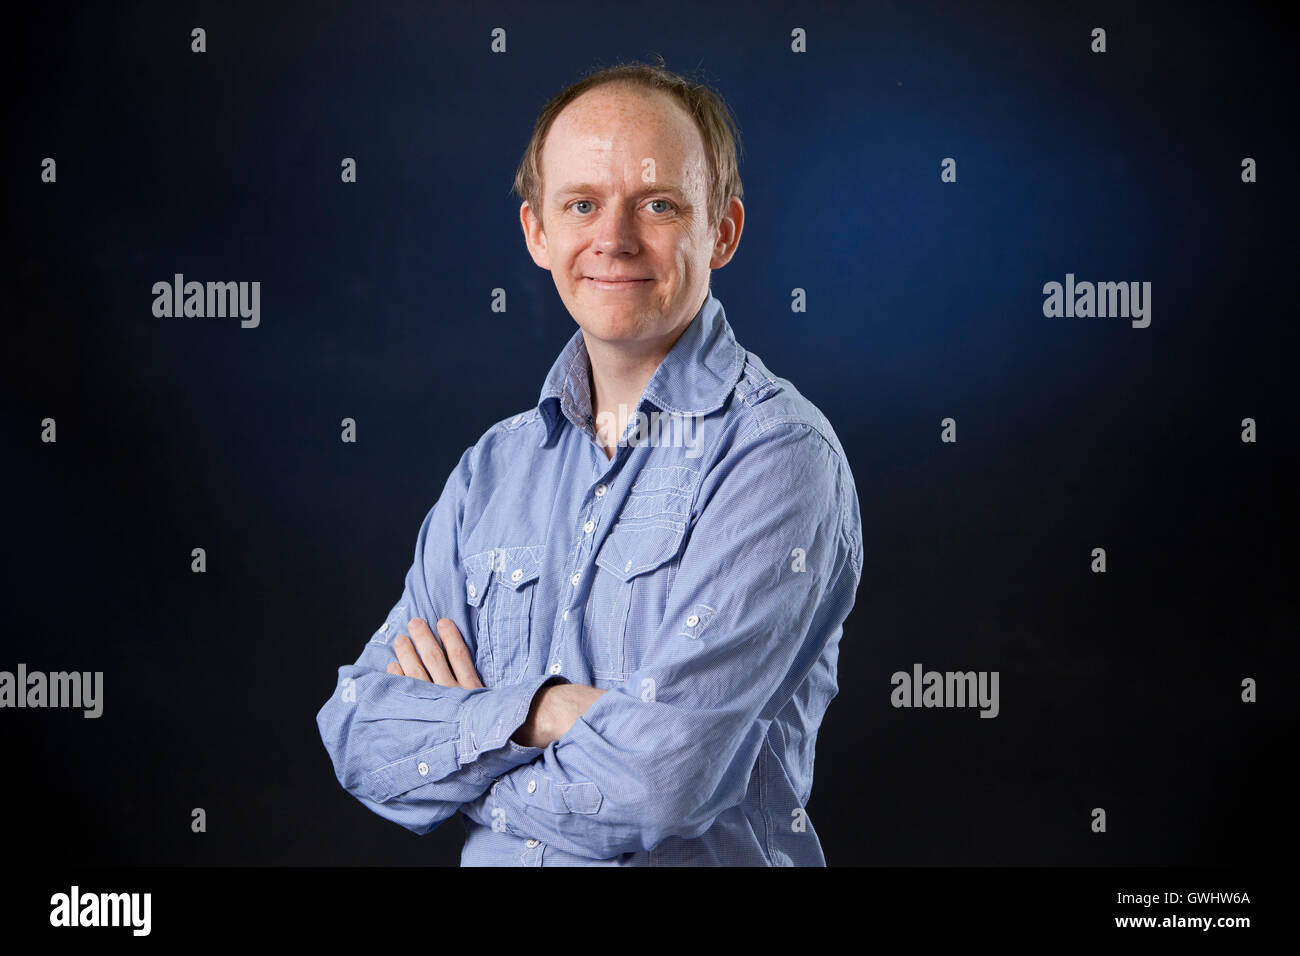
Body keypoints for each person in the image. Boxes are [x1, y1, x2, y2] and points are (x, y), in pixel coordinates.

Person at [316, 59, 863, 866]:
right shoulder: (492, 471)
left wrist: (470, 752)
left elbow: (662, 785)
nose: (613, 239)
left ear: (724, 230)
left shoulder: (778, 458)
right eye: (581, 204)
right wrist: (544, 712)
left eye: (658, 204)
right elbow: (359, 731)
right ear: (539, 233)